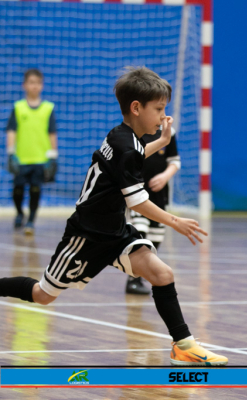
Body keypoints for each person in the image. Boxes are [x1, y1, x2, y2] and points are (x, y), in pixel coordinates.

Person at [0, 67, 228, 366]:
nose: (163, 116)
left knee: (162, 275)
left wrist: (163, 141)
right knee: (43, 295)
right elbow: (138, 201)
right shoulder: (125, 145)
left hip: (116, 232)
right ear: (136, 108)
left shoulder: (123, 136)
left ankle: (183, 346)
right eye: (159, 109)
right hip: (86, 236)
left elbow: (135, 155)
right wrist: (176, 221)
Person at [125, 126, 180, 295]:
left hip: (159, 196)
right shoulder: (134, 131)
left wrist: (165, 176)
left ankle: (141, 276)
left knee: (155, 240)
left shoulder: (169, 132)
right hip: (137, 196)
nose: (161, 115)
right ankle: (132, 280)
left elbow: (174, 161)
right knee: (140, 235)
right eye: (158, 111)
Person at [6, 69, 59, 235]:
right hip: (21, 158)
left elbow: (52, 133)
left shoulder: (48, 108)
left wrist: (53, 155)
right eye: (31, 82)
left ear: (42, 86)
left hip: (40, 158)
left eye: (38, 83)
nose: (34, 86)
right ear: (24, 85)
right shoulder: (18, 107)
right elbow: (11, 131)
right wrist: (10, 152)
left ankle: (31, 221)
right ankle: (19, 213)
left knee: (36, 190)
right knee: (18, 190)